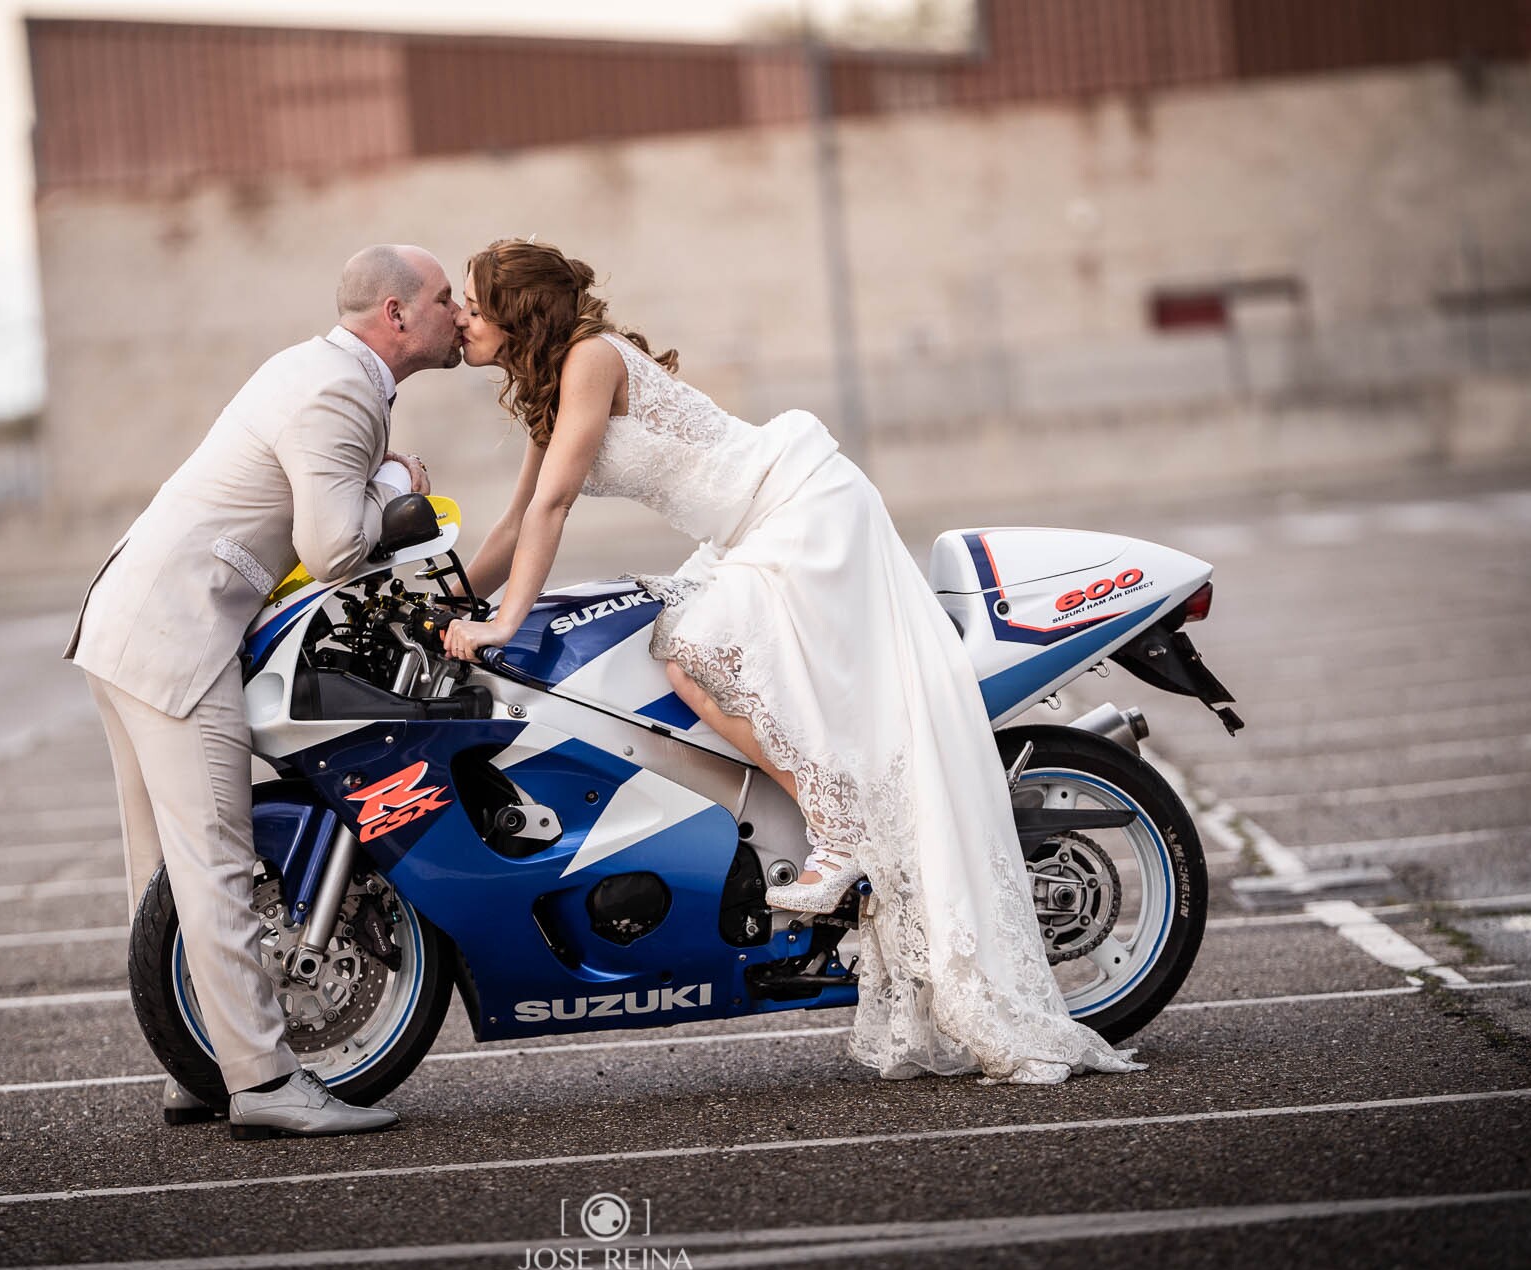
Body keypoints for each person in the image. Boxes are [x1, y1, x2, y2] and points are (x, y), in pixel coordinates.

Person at [441, 238, 1142, 1085]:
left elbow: (554, 505)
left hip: (798, 506)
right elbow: (515, 521)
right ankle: (814, 823)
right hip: (745, 529)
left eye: (475, 304)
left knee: (690, 651)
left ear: (520, 313)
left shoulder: (590, 357)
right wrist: (446, 604)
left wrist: (502, 621)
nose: (463, 318)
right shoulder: (554, 394)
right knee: (671, 647)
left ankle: (837, 823)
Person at [67, 244, 461, 1135]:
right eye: (444, 298)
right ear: (395, 315)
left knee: (166, 873)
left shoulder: (311, 368)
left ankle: (196, 1066)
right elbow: (335, 547)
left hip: (130, 622)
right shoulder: (341, 388)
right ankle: (262, 1082)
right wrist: (398, 482)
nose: (458, 312)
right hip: (178, 632)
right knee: (215, 863)